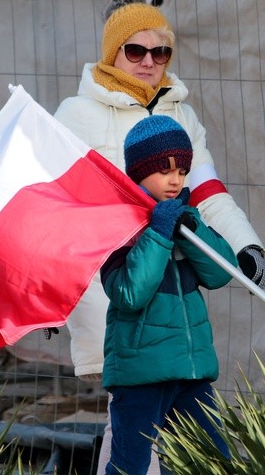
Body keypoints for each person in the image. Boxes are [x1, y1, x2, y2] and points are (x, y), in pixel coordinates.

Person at [53, 0, 265, 472]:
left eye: (161, 51)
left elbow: (208, 189)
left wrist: (244, 244)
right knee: (132, 411)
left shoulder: (181, 114)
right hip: (109, 285)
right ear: (112, 52)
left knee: (143, 425)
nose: (149, 62)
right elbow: (54, 208)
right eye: (136, 51)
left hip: (174, 294)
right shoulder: (75, 115)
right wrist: (47, 287)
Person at [100, 115, 234, 474]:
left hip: (189, 371)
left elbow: (221, 273)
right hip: (140, 375)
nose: (175, 180)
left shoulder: (186, 219)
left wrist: (191, 228)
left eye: (182, 169)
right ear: (139, 172)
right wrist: (158, 233)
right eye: (162, 170)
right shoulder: (121, 225)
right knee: (131, 464)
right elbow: (130, 293)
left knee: (212, 461)